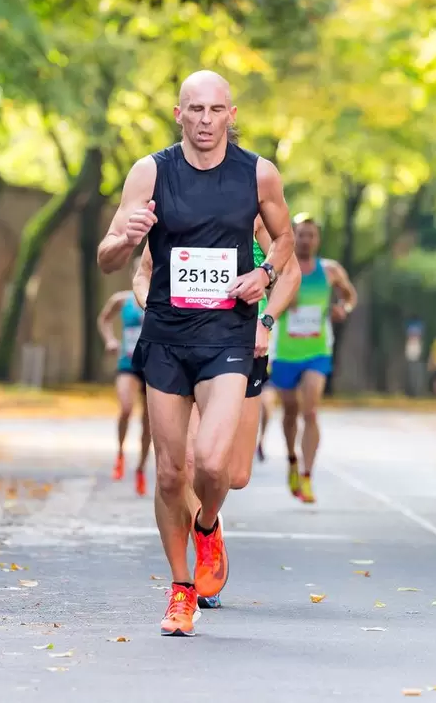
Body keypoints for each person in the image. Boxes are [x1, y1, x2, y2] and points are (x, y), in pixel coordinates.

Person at [97, 69, 293, 637]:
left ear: (232, 115)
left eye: (216, 110)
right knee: (169, 473)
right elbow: (108, 257)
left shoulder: (258, 173)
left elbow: (282, 242)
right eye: (195, 110)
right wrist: (127, 236)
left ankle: (207, 524)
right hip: (165, 337)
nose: (205, 120)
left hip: (227, 337)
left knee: (212, 464)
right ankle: (181, 588)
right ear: (178, 114)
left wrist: (262, 273)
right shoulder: (150, 172)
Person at [132, 212, 301, 608]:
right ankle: (193, 571)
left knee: (234, 473)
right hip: (182, 347)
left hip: (242, 349)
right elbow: (142, 274)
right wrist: (153, 304)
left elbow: (289, 272)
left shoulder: (252, 211)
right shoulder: (173, 212)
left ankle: (208, 521)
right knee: (186, 461)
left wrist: (267, 323)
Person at [271, 218, 357, 504]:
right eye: (301, 235)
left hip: (317, 352)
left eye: (311, 235)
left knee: (310, 411)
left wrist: (342, 308)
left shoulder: (330, 270)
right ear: (293, 236)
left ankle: (307, 476)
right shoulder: (282, 268)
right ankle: (292, 460)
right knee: (290, 411)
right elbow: (263, 297)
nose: (306, 240)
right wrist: (280, 300)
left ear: (318, 239)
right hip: (285, 353)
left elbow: (349, 295)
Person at [97, 258, 150, 496]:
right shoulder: (122, 299)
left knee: (150, 422)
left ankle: (141, 467)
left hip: (153, 366)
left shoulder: (161, 300)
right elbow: (104, 319)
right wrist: (110, 339)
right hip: (128, 362)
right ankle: (120, 453)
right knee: (126, 408)